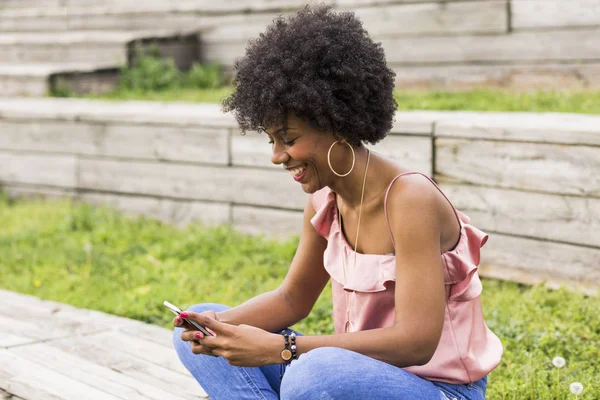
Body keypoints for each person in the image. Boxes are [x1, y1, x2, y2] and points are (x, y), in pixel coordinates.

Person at [172, 5, 502, 399]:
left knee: (312, 373)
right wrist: (216, 326)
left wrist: (283, 349)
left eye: (289, 139)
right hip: (353, 374)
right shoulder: (325, 202)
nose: (277, 156)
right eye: (271, 141)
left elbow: (417, 342)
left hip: (437, 389)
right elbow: (292, 298)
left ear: (337, 123)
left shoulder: (410, 200)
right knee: (197, 334)